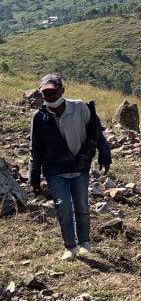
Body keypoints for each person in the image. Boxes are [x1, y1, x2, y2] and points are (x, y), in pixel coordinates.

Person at [29, 74, 112, 260]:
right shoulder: (39, 117)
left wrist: (104, 154)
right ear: (41, 94)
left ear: (62, 90)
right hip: (55, 170)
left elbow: (96, 132)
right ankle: (70, 247)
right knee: (63, 207)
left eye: (53, 91)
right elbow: (35, 149)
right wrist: (33, 176)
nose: (50, 95)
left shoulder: (80, 108)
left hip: (79, 166)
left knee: (82, 205)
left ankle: (84, 243)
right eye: (46, 93)